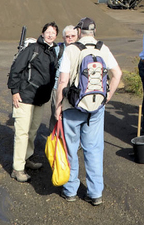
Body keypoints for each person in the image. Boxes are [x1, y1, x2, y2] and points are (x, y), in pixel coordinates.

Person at [55, 18, 123, 205]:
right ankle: (95, 193)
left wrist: (58, 106)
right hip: (96, 106)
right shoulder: (103, 48)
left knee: (70, 149)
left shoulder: (72, 49)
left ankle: (70, 191)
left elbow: (63, 82)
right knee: (94, 149)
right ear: (94, 31)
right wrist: (107, 96)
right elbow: (117, 74)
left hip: (73, 106)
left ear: (79, 31)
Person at [7, 22, 61, 182]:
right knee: (22, 134)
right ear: (43, 33)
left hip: (39, 100)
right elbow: (16, 69)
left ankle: (26, 159)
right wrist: (15, 91)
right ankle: (17, 169)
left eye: (53, 33)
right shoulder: (32, 49)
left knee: (32, 131)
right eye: (48, 32)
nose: (50, 35)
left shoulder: (52, 53)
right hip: (24, 98)